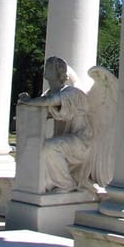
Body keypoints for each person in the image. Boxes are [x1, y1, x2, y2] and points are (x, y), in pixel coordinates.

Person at [17, 57, 93, 193]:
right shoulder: (49, 93)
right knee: (37, 146)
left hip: (82, 143)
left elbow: (50, 101)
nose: (45, 69)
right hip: (67, 141)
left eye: (49, 67)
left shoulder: (72, 93)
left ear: (58, 71)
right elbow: (41, 109)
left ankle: (66, 184)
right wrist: (25, 104)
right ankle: (43, 183)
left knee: (50, 147)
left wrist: (29, 101)